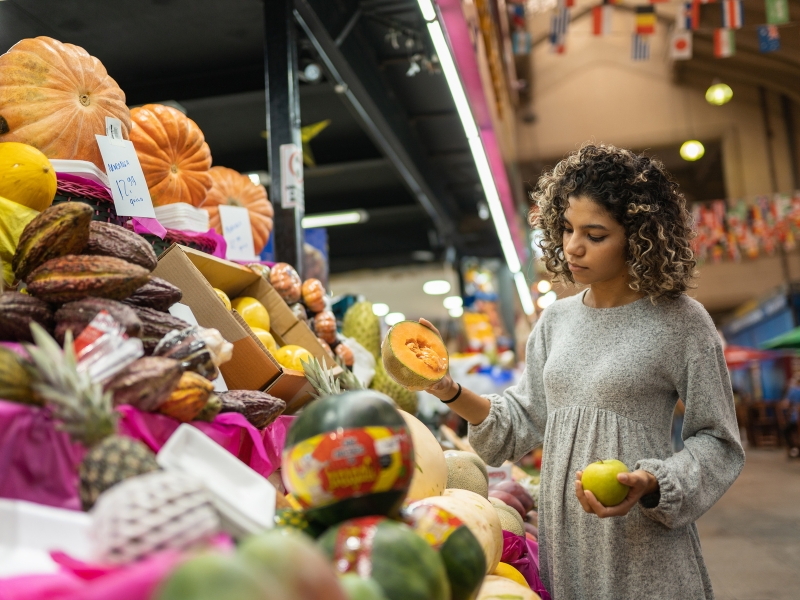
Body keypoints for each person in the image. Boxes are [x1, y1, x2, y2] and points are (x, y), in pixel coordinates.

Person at [420, 144, 744, 600]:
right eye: (568, 228)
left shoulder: (682, 322)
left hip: (644, 549)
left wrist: (654, 482)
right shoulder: (555, 321)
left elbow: (719, 441)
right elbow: (520, 419)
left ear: (638, 238)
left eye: (595, 235)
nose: (572, 246)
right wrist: (449, 389)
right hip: (568, 547)